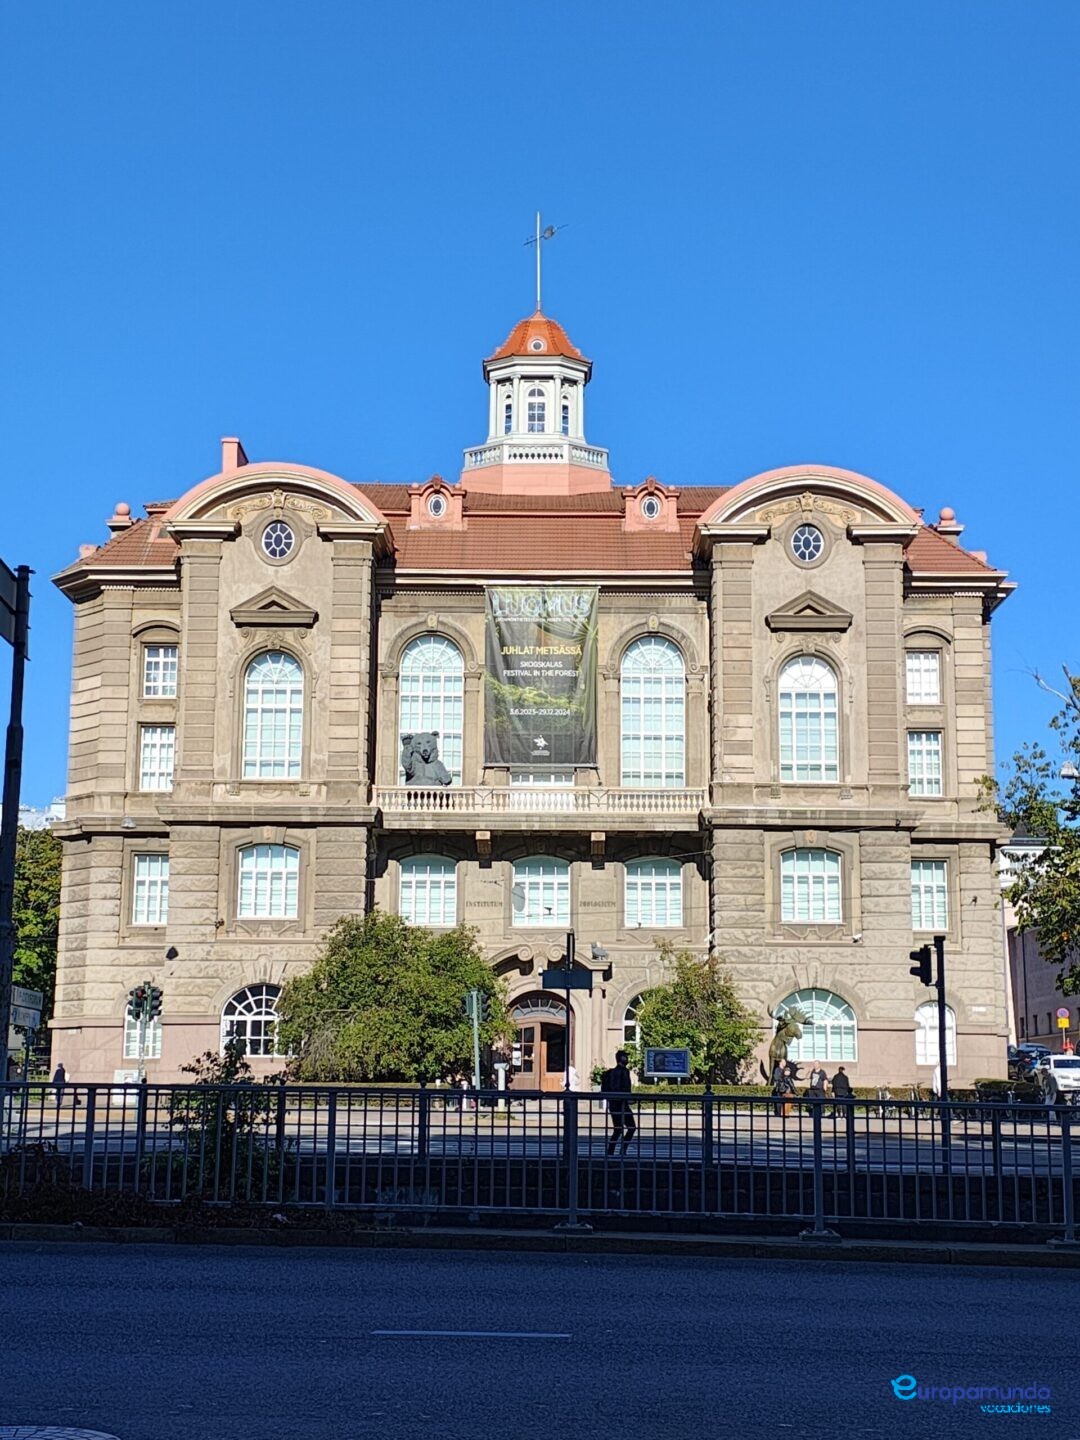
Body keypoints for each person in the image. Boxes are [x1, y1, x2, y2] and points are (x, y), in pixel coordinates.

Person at [600, 1050, 636, 1156]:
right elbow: (621, 1087)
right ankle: (621, 1150)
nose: (627, 1059)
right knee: (630, 1127)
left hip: (615, 1104)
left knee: (618, 1129)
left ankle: (611, 1151)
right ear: (622, 1058)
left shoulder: (616, 1071)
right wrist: (627, 1097)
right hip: (621, 1104)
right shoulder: (622, 1071)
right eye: (625, 1057)